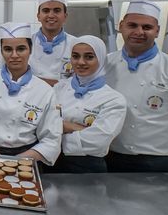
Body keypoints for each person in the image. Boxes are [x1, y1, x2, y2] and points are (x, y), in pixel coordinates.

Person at [105, 0, 168, 172]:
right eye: (132, 25)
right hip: (110, 157)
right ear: (121, 26)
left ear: (157, 31)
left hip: (157, 162)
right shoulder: (105, 64)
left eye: (147, 27)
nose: (139, 32)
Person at [0, 22, 60, 166]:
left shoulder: (45, 91)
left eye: (21, 49)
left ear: (30, 50)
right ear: (1, 51)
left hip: (27, 159)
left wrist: (15, 161)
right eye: (8, 49)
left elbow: (51, 140)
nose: (14, 55)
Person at [52, 35, 128, 173]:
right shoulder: (59, 88)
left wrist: (59, 131)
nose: (81, 62)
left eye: (89, 57)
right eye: (75, 56)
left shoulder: (113, 100)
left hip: (88, 166)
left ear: (100, 59)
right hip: (52, 162)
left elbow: (99, 142)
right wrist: (75, 128)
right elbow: (43, 124)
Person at [30, 0, 72, 85]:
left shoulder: (75, 44)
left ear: (65, 16)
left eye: (57, 11)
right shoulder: (26, 43)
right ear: (38, 16)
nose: (51, 15)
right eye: (46, 11)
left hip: (64, 98)